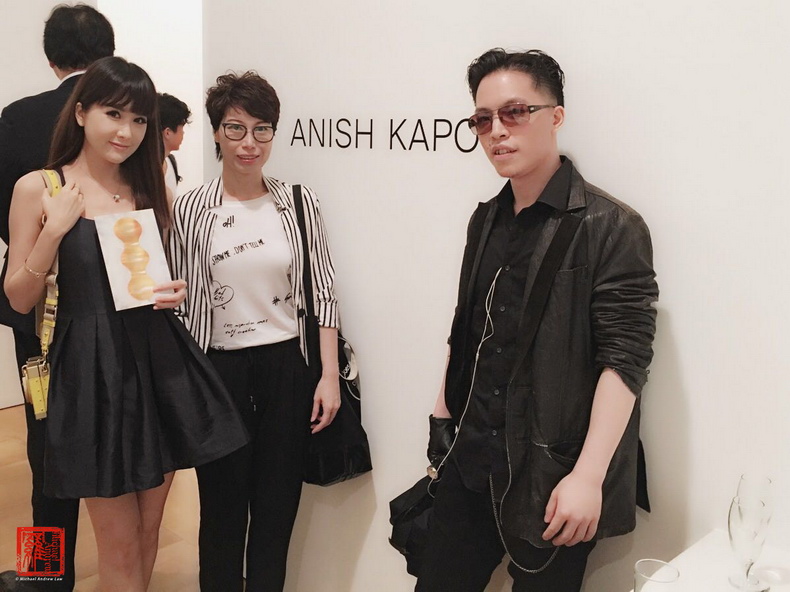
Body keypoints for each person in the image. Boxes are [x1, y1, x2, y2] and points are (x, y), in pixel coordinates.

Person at [416, 49, 659, 592]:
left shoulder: (611, 226)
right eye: (483, 119)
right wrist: (441, 418)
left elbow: (624, 361)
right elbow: (467, 328)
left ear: (556, 115)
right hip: (469, 460)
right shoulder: (486, 218)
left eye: (515, 112)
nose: (497, 131)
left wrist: (588, 476)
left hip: (554, 475)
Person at [3, 56, 248, 592]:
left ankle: (41, 578)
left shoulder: (142, 178)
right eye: (114, 114)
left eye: (139, 120)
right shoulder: (38, 181)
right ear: (82, 109)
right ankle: (41, 577)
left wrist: (173, 289)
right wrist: (53, 232)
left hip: (151, 360)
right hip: (73, 361)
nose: (127, 131)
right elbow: (17, 295)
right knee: (50, 484)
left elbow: (155, 269)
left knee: (123, 524)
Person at [167, 71, 341, 592]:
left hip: (287, 366)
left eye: (262, 130)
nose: (249, 143)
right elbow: (181, 298)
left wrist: (328, 375)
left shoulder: (299, 202)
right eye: (236, 129)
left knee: (276, 507)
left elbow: (323, 291)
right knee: (221, 509)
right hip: (218, 370)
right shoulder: (190, 207)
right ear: (216, 133)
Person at [0, 5, 114, 590]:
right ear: (110, 52)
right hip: (112, 301)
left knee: (44, 445)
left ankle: (44, 575)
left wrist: (34, 249)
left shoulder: (17, 117)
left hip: (37, 305)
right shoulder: (128, 114)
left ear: (51, 59)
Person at [157, 93, 191, 198]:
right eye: (182, 128)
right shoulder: (143, 168)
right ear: (168, 132)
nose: (183, 133)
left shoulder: (170, 162)